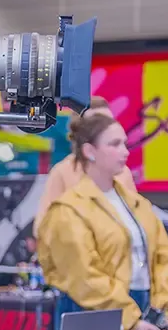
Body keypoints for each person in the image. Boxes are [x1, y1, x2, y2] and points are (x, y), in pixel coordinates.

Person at [38, 113, 168, 330]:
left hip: (146, 316)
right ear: (90, 151)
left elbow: (163, 258)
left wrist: (164, 309)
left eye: (124, 143)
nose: (124, 151)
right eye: (114, 144)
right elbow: (84, 276)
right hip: (94, 316)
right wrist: (130, 321)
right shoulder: (68, 210)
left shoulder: (138, 204)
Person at [34, 96, 138, 232]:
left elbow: (138, 219)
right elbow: (43, 226)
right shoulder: (62, 172)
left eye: (109, 122)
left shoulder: (123, 173)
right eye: (97, 124)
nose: (107, 129)